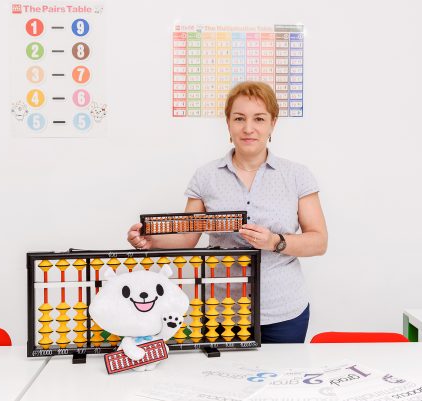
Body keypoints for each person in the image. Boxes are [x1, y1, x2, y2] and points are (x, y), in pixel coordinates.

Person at [126, 81, 328, 343]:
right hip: (222, 310)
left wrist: (274, 241)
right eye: (239, 118)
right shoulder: (206, 176)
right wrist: (151, 241)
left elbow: (319, 241)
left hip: (283, 310)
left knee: (283, 371)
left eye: (259, 118)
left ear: (273, 124)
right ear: (228, 124)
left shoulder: (297, 175)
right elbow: (188, 237)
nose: (248, 128)